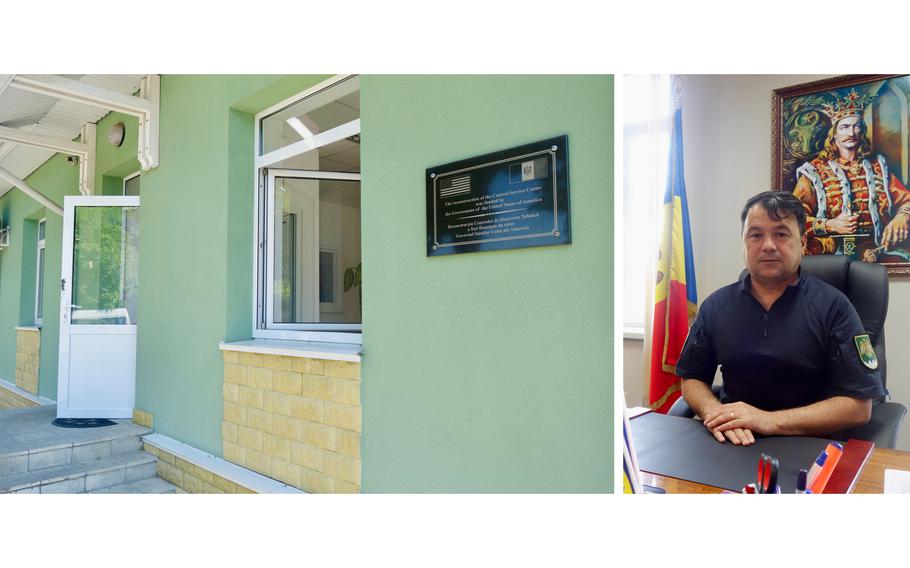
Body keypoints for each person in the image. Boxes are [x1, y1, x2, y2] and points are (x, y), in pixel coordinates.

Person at [675, 191, 884, 446]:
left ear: (803, 242)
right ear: (743, 242)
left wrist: (765, 420)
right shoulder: (716, 305)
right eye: (756, 235)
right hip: (732, 442)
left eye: (781, 234)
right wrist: (714, 412)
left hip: (808, 447)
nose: (768, 245)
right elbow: (692, 376)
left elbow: (859, 406)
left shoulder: (834, 307)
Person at [793, 88, 910, 263]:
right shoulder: (814, 171)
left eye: (857, 126)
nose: (851, 133)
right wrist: (830, 224)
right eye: (845, 127)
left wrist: (902, 216)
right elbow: (793, 217)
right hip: (829, 253)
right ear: (833, 134)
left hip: (876, 250)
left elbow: (906, 200)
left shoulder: (878, 166)